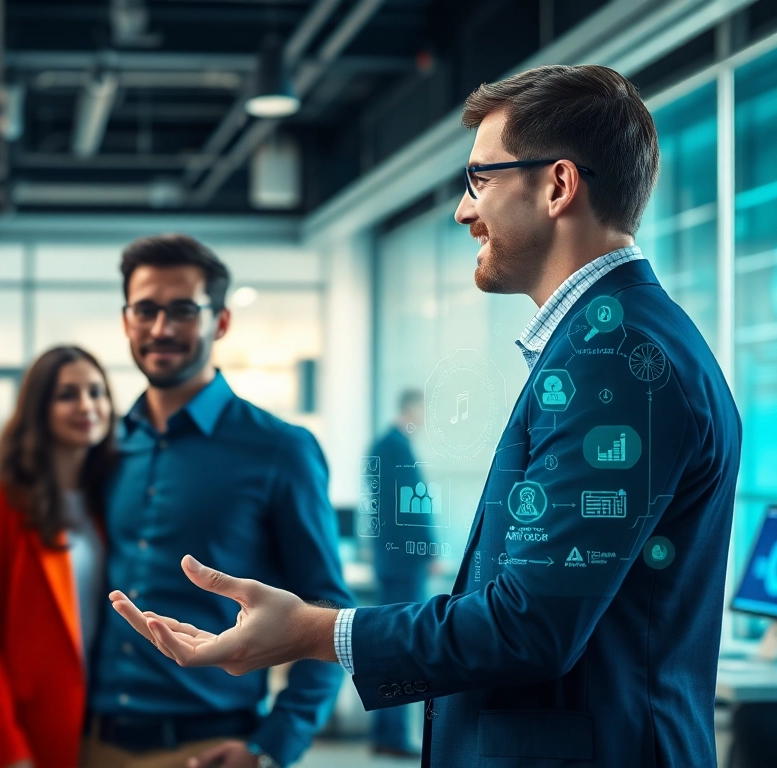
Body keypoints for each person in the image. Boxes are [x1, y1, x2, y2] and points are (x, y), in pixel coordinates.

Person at [110, 65, 741, 768]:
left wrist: (317, 632)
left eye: (480, 180)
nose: (462, 211)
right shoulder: (610, 345)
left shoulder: (617, 358)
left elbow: (529, 628)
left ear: (559, 185)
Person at [87, 234, 353, 768]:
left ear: (220, 322)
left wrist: (272, 745)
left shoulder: (280, 449)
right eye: (146, 310)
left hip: (208, 749)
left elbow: (328, 612)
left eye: (183, 310)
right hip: (91, 744)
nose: (161, 329)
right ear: (126, 321)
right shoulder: (106, 448)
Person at [0, 346, 118, 768]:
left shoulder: (110, 494)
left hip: (106, 724)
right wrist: (7, 747)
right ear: (39, 408)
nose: (87, 406)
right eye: (67, 394)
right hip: (27, 725)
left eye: (96, 392)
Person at [366, 389, 430, 759]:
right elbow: (407, 506)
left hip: (393, 561)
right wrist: (427, 545)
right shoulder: (394, 447)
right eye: (423, 410)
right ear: (410, 408)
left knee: (393, 644)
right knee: (401, 645)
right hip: (403, 562)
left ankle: (387, 733)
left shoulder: (385, 445)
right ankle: (391, 734)